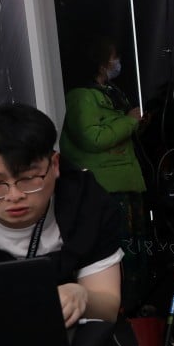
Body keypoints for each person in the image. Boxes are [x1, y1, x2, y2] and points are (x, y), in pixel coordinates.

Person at [0, 103, 124, 327]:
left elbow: (108, 306)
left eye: (28, 178)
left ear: (55, 165)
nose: (14, 195)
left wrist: (82, 296)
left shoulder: (86, 205)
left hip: (73, 340)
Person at [60, 36, 152, 316]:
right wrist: (129, 121)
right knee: (119, 251)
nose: (117, 62)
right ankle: (122, 308)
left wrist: (137, 124)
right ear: (100, 61)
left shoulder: (111, 91)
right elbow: (92, 138)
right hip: (106, 187)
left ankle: (139, 304)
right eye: (113, 57)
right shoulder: (80, 96)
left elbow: (120, 134)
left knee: (138, 249)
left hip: (128, 181)